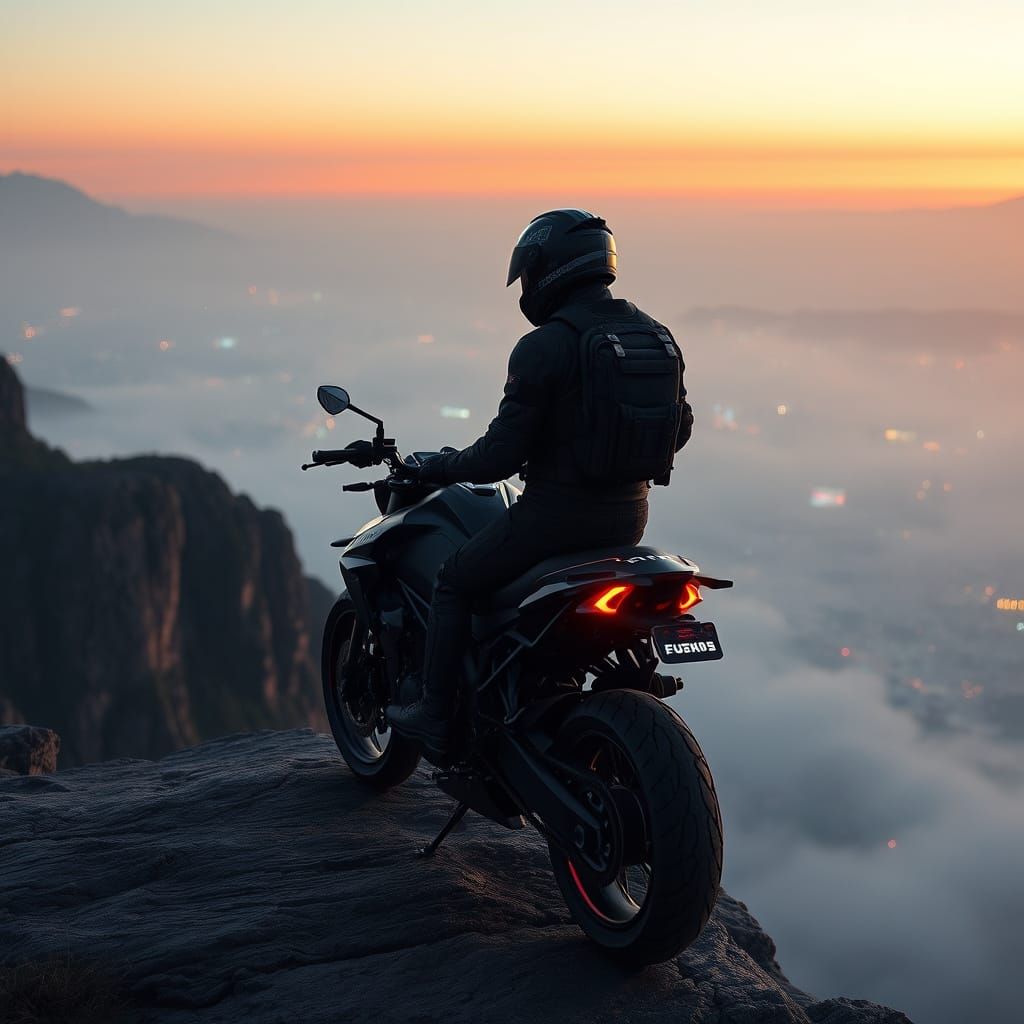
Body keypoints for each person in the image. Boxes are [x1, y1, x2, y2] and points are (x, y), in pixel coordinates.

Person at [386, 209, 693, 751]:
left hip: (553, 520)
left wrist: (437, 465)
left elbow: (497, 460)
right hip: (629, 520)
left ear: (546, 270)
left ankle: (434, 712)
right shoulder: (654, 334)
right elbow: (680, 430)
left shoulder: (544, 346)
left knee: (455, 581)